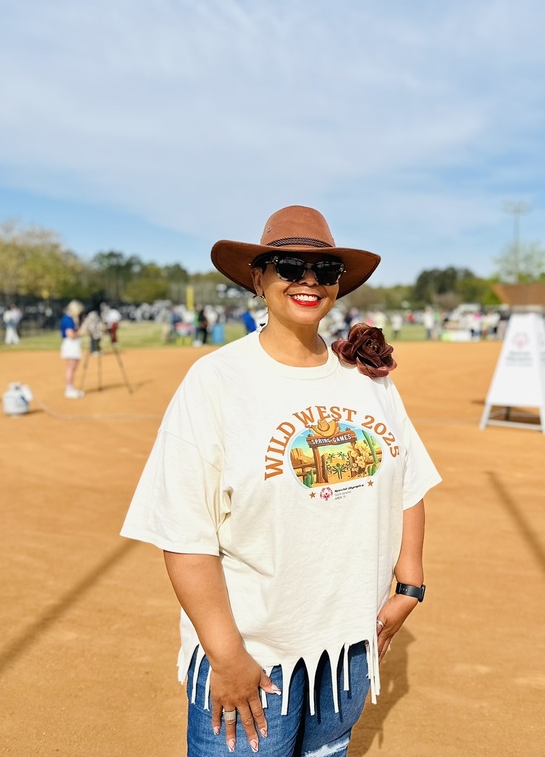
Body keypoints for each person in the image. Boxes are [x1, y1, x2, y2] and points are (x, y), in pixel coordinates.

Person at [120, 205, 441, 757]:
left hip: (347, 650)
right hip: (253, 650)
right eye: (290, 265)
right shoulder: (216, 382)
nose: (309, 281)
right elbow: (184, 533)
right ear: (257, 276)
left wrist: (408, 587)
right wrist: (226, 657)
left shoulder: (367, 381)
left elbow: (407, 483)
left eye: (326, 269)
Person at [60, 300, 85, 398]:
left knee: (72, 368)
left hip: (72, 344)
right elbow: (70, 334)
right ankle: (69, 389)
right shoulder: (68, 319)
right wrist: (80, 333)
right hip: (71, 344)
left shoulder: (68, 318)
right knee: (71, 368)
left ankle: (70, 388)